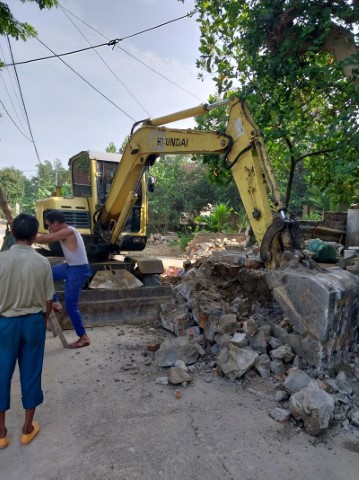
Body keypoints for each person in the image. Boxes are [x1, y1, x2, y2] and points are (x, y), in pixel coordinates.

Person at [0, 214, 54, 448]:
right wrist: (41, 322)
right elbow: (49, 300)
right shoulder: (42, 262)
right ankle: (27, 428)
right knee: (31, 372)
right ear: (34, 237)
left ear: (12, 233)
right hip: (33, 322)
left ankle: (1, 433)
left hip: (5, 323)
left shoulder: (0, 260)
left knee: (1, 373)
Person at [36, 210, 92, 349]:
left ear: (56, 222)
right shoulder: (68, 231)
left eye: (50, 226)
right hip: (71, 266)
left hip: (78, 270)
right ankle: (55, 302)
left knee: (71, 306)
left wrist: (22, 232)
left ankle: (83, 337)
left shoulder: (67, 231)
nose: (50, 229)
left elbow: (44, 239)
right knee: (45, 272)